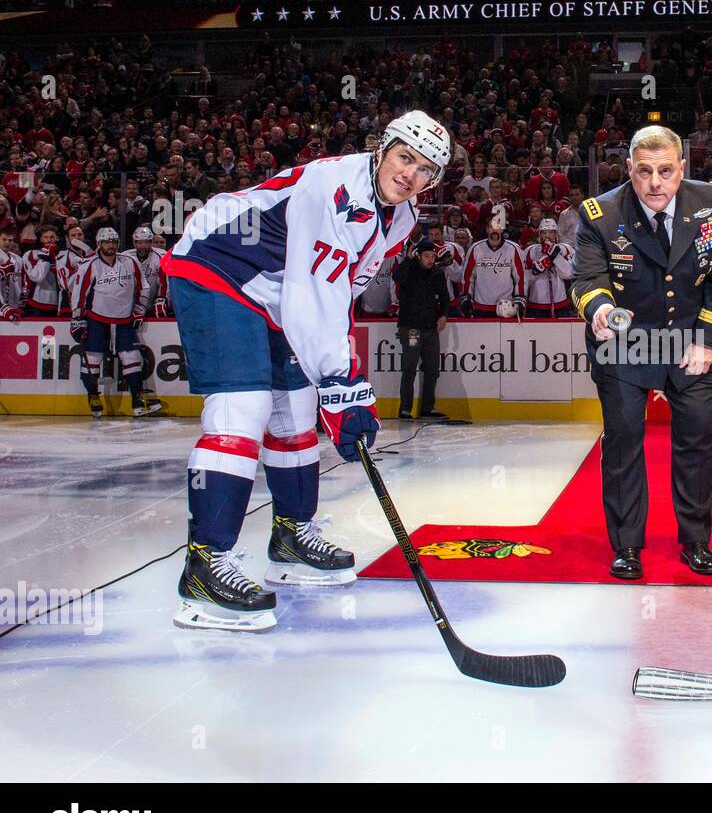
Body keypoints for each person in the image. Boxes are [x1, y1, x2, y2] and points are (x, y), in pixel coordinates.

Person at [162, 110, 450, 632]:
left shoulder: (402, 217)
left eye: (425, 169)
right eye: (405, 158)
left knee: (295, 411)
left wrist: (344, 380)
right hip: (218, 266)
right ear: (382, 148)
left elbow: (339, 289)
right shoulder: (332, 185)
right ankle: (203, 567)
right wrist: (340, 381)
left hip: (279, 290)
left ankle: (291, 535)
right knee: (242, 409)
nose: (410, 174)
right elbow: (308, 290)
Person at [570, 125, 712, 580]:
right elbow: (586, 279)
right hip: (625, 343)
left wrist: (707, 339)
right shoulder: (600, 214)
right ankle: (626, 546)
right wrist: (600, 309)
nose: (655, 183)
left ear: (682, 168)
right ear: (629, 168)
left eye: (666, 170)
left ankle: (696, 541)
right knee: (623, 441)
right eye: (644, 171)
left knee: (697, 441)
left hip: (691, 341)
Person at [68, 228, 159, 419]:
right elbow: (79, 293)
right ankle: (93, 398)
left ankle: (137, 402)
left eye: (113, 241)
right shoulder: (89, 265)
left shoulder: (129, 261)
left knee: (133, 359)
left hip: (124, 320)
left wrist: (140, 308)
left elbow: (144, 286)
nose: (110, 244)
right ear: (99, 243)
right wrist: (77, 319)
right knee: (92, 362)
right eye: (106, 241)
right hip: (97, 320)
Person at [393, 238, 452, 420]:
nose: (430, 259)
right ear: (418, 255)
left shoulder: (437, 273)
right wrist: (409, 260)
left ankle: (427, 407)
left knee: (432, 369)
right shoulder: (409, 269)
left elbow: (445, 297)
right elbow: (397, 277)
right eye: (426, 256)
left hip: (430, 327)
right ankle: (405, 409)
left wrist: (444, 315)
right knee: (409, 368)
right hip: (411, 327)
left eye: (432, 256)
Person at [461, 220, 525, 317]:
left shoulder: (513, 248)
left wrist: (519, 297)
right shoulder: (475, 248)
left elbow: (520, 276)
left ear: (502, 229)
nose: (494, 230)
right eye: (491, 227)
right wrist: (466, 295)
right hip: (481, 306)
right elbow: (468, 276)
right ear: (487, 229)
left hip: (506, 306)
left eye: (497, 227)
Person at [522, 218, 575, 317]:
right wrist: (535, 270)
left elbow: (568, 274)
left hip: (560, 303)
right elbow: (524, 281)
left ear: (555, 234)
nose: (547, 236)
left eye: (551, 232)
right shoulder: (530, 251)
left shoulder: (565, 249)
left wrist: (555, 256)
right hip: (536, 304)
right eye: (544, 232)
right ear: (539, 234)